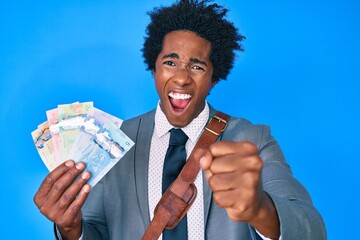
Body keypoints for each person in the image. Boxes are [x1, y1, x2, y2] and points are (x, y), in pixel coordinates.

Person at [34, 0, 327, 239]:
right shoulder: (115, 141)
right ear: (154, 70)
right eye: (170, 63)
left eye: (197, 66)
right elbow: (95, 231)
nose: (182, 78)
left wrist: (261, 209)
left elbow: (313, 230)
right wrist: (71, 229)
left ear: (214, 79)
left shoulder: (253, 139)